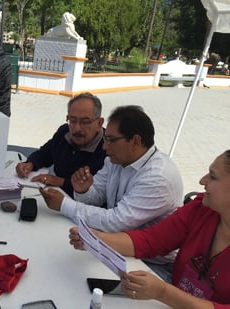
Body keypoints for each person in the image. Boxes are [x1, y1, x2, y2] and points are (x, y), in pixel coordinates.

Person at [69, 150, 230, 308]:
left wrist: (163, 292)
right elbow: (151, 240)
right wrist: (97, 239)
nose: (202, 181)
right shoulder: (201, 209)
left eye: (213, 176)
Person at [40, 105, 183, 278]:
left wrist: (64, 205)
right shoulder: (115, 161)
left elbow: (116, 221)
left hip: (152, 264)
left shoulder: (158, 177)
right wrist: (84, 190)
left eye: (110, 140)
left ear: (135, 141)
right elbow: (98, 195)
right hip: (118, 246)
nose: (104, 147)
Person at [15, 92, 107, 197]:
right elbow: (45, 154)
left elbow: (97, 193)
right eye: (72, 120)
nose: (77, 128)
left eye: (85, 122)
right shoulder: (64, 132)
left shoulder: (109, 148)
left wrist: (59, 181)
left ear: (99, 123)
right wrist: (30, 164)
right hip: (54, 196)